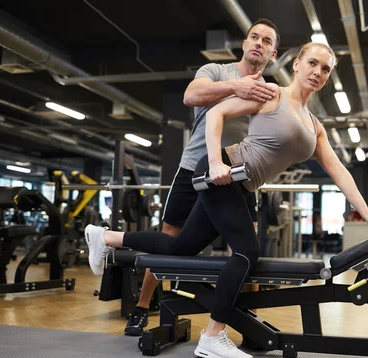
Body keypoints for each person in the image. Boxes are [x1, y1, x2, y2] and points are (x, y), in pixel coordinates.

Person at [85, 41, 368, 358]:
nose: (317, 72)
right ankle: (212, 335)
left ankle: (106, 238)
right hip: (222, 173)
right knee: (246, 251)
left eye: (325, 69)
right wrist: (214, 162)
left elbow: (341, 174)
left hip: (240, 187)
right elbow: (216, 113)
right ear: (296, 65)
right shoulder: (271, 95)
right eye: (312, 64)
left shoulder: (315, 127)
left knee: (179, 247)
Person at [119, 19, 280, 337]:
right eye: (254, 37)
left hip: (237, 177)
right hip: (195, 169)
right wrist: (237, 87)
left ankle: (252, 318)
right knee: (169, 242)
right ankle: (142, 307)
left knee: (247, 247)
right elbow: (191, 96)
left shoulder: (270, 91)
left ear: (273, 53)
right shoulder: (217, 71)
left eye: (266, 41)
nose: (258, 43)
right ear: (244, 44)